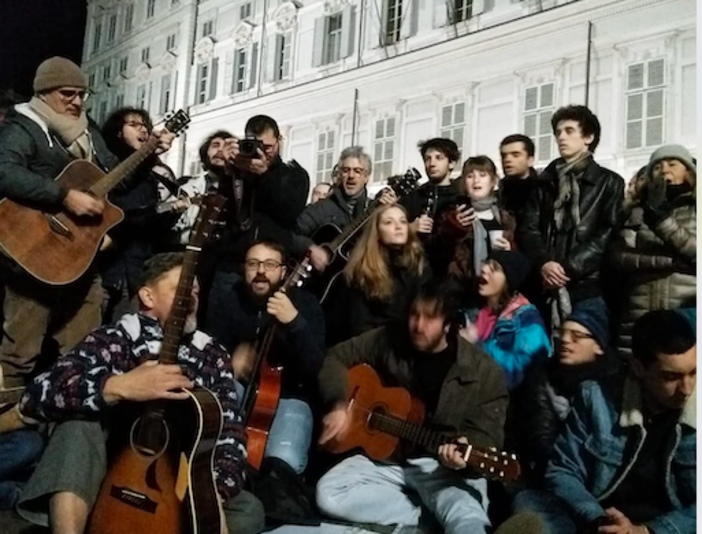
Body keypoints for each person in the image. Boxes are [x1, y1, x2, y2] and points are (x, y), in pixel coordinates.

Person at [3, 253, 264, 534]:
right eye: (181, 289)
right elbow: (40, 393)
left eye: (196, 291)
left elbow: (231, 434)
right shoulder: (117, 337)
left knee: (249, 510)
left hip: (172, 483)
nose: (192, 298)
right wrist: (117, 387)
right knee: (78, 424)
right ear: (148, 297)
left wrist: (213, 493)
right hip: (108, 476)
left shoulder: (212, 354)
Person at [0, 57, 173, 389]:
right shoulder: (23, 126)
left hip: (77, 257)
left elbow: (115, 181)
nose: (78, 102)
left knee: (85, 350)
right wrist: (62, 195)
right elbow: (5, 172)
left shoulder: (87, 130)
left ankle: (70, 421)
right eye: (68, 94)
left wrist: (148, 152)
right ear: (44, 91)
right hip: (33, 253)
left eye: (82, 94)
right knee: (20, 352)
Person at [315, 281, 509, 534]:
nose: (418, 326)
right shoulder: (391, 339)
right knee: (328, 494)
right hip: (388, 460)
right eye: (414, 315)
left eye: (430, 318)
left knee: (466, 519)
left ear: (448, 324)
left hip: (441, 468)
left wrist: (464, 454)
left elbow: (488, 436)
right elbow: (335, 357)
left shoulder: (484, 372)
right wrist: (339, 403)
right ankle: (431, 521)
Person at [513, 309, 696, 534]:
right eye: (671, 377)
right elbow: (563, 470)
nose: (686, 389)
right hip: (600, 518)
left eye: (694, 373)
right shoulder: (596, 398)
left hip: (665, 526)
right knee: (530, 501)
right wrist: (598, 519)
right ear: (638, 368)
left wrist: (646, 531)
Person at [203, 240, 325, 475]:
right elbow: (208, 351)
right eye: (253, 264)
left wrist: (295, 322)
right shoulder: (230, 300)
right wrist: (228, 361)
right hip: (239, 387)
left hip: (290, 396)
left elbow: (314, 367)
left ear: (283, 271)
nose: (260, 271)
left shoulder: (307, 305)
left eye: (269, 264)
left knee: (284, 461)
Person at [517, 105, 624, 329]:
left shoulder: (609, 182)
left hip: (588, 284)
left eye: (569, 130)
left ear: (588, 137)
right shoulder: (545, 182)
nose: (561, 137)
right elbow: (528, 228)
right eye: (557, 132)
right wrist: (544, 262)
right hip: (544, 282)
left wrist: (568, 267)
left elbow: (606, 232)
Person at [517, 301, 619, 482]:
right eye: (562, 333)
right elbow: (541, 438)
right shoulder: (543, 377)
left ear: (599, 346)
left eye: (577, 336)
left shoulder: (614, 384)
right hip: (552, 474)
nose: (565, 340)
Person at [612, 145, 696, 358]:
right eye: (657, 167)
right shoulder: (637, 211)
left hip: (686, 308)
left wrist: (662, 221)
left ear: (689, 171)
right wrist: (670, 262)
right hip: (640, 309)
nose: (664, 170)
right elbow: (621, 256)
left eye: (673, 164)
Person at [99, 107, 179, 322]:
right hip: (104, 267)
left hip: (136, 270)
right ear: (118, 132)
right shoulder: (106, 165)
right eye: (133, 124)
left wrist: (172, 212)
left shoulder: (152, 174)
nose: (142, 129)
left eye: (145, 125)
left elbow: (150, 223)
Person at [325, 203, 429, 346]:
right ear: (377, 232)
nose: (398, 226)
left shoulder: (419, 263)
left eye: (403, 221)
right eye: (389, 222)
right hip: (374, 348)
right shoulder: (362, 270)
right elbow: (358, 326)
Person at [293, 147, 397, 271]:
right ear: (340, 175)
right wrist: (310, 248)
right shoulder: (321, 208)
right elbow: (292, 234)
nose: (351, 176)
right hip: (321, 282)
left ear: (367, 177)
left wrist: (389, 214)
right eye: (346, 170)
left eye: (357, 171)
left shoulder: (373, 208)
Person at [461, 250, 550, 391]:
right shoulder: (472, 308)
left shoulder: (528, 320)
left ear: (509, 280)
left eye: (494, 269)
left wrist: (477, 346)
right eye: (486, 263)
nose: (484, 269)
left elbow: (523, 370)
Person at [438, 155, 516, 307]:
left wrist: (509, 251)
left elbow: (517, 260)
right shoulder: (454, 214)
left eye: (482, 175)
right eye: (470, 176)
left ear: (493, 181)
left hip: (497, 298)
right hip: (462, 295)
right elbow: (438, 252)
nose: (476, 180)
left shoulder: (505, 218)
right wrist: (454, 227)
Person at [400, 138, 461, 275]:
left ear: (451, 163)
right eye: (428, 159)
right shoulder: (413, 197)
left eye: (439, 158)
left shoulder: (460, 198)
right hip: (416, 272)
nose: (432, 163)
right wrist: (410, 228)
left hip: (450, 274)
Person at [167, 129, 235, 247]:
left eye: (226, 147)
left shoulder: (242, 189)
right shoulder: (185, 186)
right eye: (215, 145)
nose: (220, 150)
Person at [499, 134, 539, 219]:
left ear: (530, 160)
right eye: (504, 156)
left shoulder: (545, 192)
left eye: (515, 155)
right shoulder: (497, 195)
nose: (507, 160)